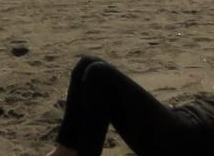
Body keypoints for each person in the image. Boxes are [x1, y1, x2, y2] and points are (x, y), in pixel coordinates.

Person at [45, 55, 214, 155]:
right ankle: (64, 151)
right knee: (86, 63)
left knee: (99, 75)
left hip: (185, 139)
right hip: (183, 119)